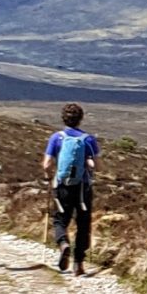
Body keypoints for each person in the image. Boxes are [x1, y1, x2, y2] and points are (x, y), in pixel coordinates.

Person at [42, 101, 101, 275]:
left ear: (63, 118)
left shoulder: (56, 138)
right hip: (83, 187)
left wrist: (49, 176)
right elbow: (100, 166)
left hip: (62, 185)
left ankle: (63, 243)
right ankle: (78, 263)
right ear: (80, 119)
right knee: (83, 223)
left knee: (60, 219)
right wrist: (89, 164)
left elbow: (46, 164)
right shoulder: (88, 139)